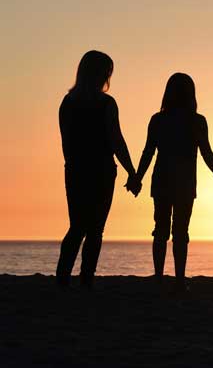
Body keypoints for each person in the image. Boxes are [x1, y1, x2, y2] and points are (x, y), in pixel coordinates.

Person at [132, 73, 213, 292]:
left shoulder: (158, 120)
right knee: (180, 232)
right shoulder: (197, 121)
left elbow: (148, 152)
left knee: (160, 229)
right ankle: (178, 281)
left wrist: (138, 177)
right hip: (185, 183)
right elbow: (208, 155)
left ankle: (158, 278)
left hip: (162, 180)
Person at [56, 50, 136, 288]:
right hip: (100, 170)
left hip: (76, 170)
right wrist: (131, 171)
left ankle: (63, 277)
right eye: (107, 72)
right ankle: (85, 279)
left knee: (77, 226)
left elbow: (66, 142)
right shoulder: (106, 104)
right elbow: (116, 140)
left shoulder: (68, 103)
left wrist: (73, 165)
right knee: (94, 229)